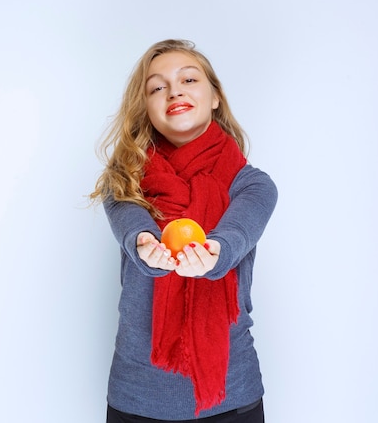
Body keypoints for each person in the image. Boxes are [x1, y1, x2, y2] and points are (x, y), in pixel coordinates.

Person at [90, 39, 278, 422]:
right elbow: (134, 227)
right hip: (137, 398)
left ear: (215, 97)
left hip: (233, 398)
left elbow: (236, 235)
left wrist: (214, 255)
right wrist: (146, 246)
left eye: (188, 79)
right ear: (145, 108)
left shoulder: (253, 185)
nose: (174, 90)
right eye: (157, 87)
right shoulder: (123, 181)